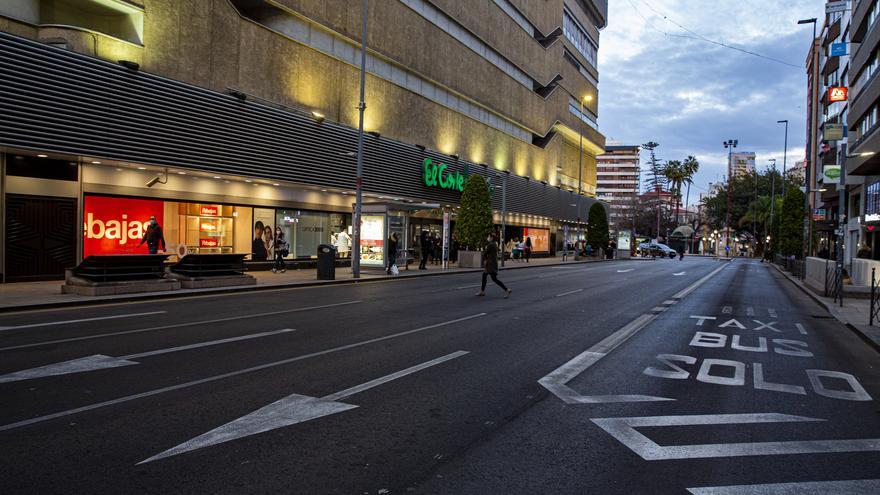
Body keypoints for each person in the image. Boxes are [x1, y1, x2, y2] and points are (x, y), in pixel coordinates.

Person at [476, 232, 511, 298]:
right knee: (487, 276)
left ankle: (507, 289)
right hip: (493, 264)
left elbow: (485, 253)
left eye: (489, 236)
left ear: (492, 237)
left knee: (493, 278)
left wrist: (485, 260)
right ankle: (482, 291)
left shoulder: (491, 245)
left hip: (490, 264)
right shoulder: (495, 244)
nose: (488, 238)